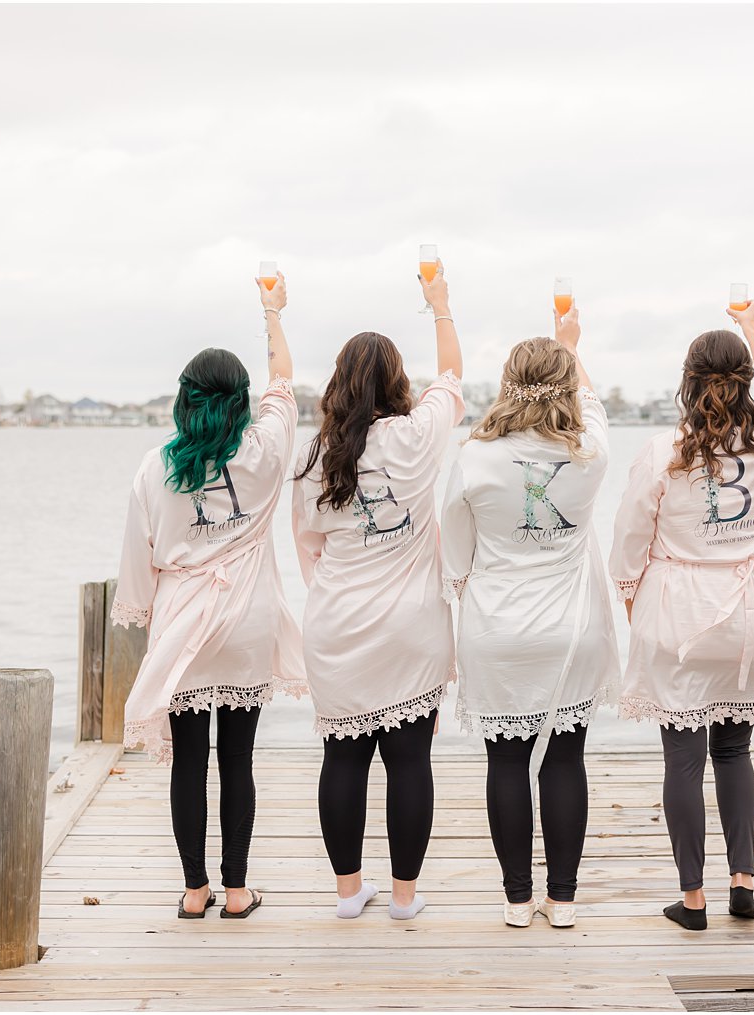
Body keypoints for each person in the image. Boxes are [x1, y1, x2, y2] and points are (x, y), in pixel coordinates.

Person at [111, 272, 305, 920]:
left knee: (188, 762)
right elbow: (285, 383)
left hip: (186, 622)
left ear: (184, 400)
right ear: (240, 399)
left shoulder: (155, 466)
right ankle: (239, 889)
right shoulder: (265, 449)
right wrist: (272, 311)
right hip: (246, 619)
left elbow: (137, 557)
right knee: (239, 759)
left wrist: (141, 616)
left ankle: (196, 891)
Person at [609, 303, 754, 931]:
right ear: (744, 382)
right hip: (752, 615)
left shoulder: (664, 451)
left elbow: (628, 549)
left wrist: (641, 616)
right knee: (736, 751)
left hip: (681, 619)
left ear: (687, 383)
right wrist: (753, 329)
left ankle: (693, 900)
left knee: (683, 761)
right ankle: (743, 883)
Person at [292, 261, 465, 921]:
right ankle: (403, 898)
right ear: (397, 382)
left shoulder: (313, 457)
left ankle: (346, 893)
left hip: (336, 623)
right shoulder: (417, 436)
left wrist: (334, 596)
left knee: (343, 755)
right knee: (409, 759)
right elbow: (451, 377)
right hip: (411, 624)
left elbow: (308, 546)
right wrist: (440, 303)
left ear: (337, 384)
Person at [441, 304, 619, 929]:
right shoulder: (590, 453)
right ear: (566, 385)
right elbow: (592, 407)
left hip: (497, 625)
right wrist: (572, 346)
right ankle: (563, 901)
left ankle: (518, 900)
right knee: (566, 759)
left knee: (506, 763)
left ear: (507, 386)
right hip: (571, 628)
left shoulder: (474, 458)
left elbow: (454, 554)